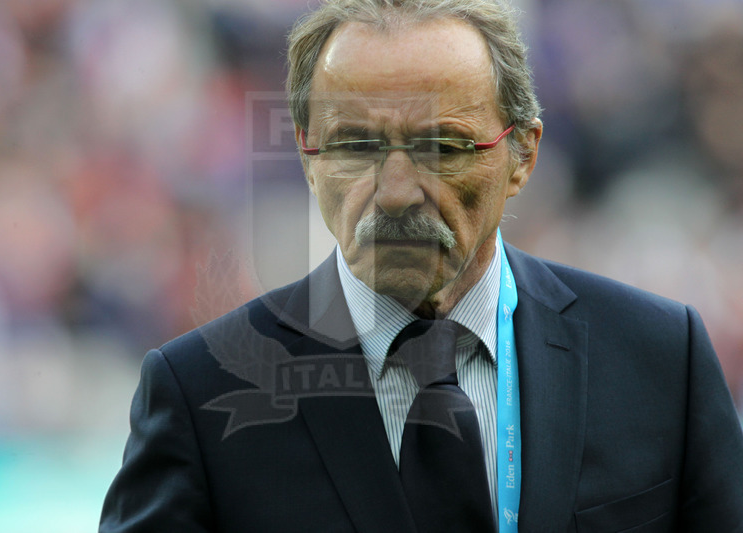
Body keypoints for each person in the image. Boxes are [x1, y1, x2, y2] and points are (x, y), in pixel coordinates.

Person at [99, 1, 743, 531]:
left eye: (442, 145)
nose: (397, 190)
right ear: (307, 156)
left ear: (522, 153)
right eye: (355, 145)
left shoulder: (660, 360)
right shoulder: (199, 394)